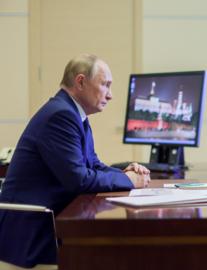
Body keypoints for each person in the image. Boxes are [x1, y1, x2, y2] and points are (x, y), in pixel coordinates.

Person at [0, 54, 151, 268]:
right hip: (31, 232)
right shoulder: (60, 116)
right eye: (105, 85)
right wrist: (128, 181)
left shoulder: (73, 113)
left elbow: (93, 164)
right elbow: (78, 180)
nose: (111, 95)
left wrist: (124, 172)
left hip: (49, 220)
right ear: (80, 81)